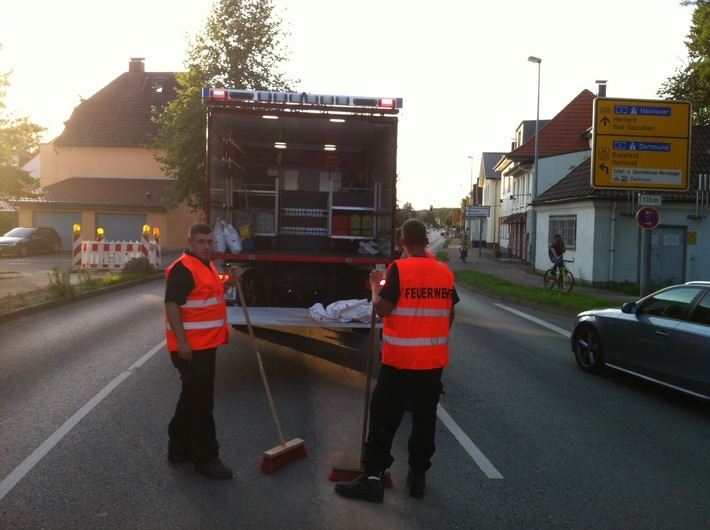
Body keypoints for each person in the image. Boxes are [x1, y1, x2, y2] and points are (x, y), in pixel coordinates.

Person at [335, 218, 459, 502]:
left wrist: (375, 285)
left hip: (401, 362)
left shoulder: (399, 270)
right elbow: (449, 315)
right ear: (426, 241)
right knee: (425, 420)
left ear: (401, 242)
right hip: (432, 363)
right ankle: (417, 477)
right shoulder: (444, 273)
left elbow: (383, 309)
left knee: (384, 418)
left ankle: (372, 479)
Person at [164, 222, 240, 479]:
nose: (207, 246)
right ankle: (207, 458)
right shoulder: (183, 269)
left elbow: (211, 294)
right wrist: (182, 341)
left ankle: (178, 448)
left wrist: (229, 282)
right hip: (191, 348)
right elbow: (172, 304)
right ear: (190, 242)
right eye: (202, 242)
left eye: (210, 242)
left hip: (206, 345)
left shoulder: (206, 265)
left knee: (191, 398)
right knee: (201, 403)